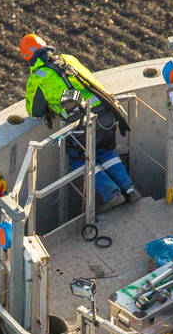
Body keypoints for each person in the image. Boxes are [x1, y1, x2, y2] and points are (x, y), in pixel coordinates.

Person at [20, 34, 140, 212]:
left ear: (26, 57)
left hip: (81, 123)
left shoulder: (38, 77)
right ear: (45, 45)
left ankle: (112, 194)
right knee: (106, 153)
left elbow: (35, 111)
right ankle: (129, 189)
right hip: (106, 112)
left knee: (80, 161)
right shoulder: (68, 58)